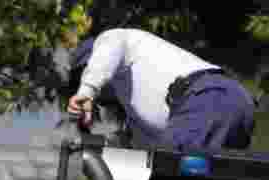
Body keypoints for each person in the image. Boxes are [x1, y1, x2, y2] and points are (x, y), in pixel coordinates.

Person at [65, 27, 255, 152]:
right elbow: (145, 153)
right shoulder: (136, 108)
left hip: (208, 98)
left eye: (86, 72)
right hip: (235, 105)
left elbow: (108, 51)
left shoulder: (112, 40)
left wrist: (87, 89)